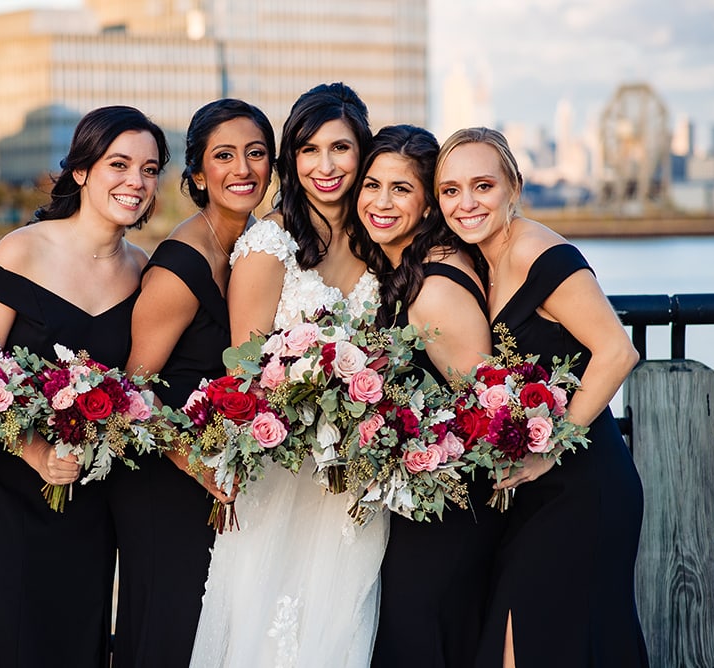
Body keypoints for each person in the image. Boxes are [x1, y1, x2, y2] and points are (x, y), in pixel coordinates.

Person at [0, 106, 170, 668]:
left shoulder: (144, 270)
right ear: (81, 171)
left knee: (76, 639)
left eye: (149, 169)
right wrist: (37, 452)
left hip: (87, 497)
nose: (135, 182)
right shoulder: (20, 250)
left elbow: (138, 383)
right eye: (119, 164)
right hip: (4, 489)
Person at [435, 127, 648, 667]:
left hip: (583, 485)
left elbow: (618, 353)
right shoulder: (482, 259)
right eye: (450, 190)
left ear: (514, 187)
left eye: (482, 185)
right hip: (534, 495)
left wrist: (551, 447)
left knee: (532, 646)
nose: (466, 203)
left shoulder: (542, 253)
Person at [190, 82, 384, 667]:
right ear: (291, 159)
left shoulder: (380, 239)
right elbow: (243, 374)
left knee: (344, 624)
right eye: (309, 150)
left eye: (341, 149)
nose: (325, 167)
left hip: (354, 478)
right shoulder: (268, 244)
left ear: (363, 154)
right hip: (281, 472)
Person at [112, 98, 275, 667]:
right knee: (170, 631)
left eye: (256, 154)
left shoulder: (261, 246)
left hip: (221, 474)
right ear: (199, 174)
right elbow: (130, 391)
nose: (243, 169)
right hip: (167, 477)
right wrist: (195, 463)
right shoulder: (181, 264)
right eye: (224, 156)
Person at [350, 124, 507, 667]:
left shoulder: (435, 286)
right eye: (372, 185)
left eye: (401, 189)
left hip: (452, 515)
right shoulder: (404, 270)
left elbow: (488, 412)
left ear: (427, 204)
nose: (381, 202)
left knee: (422, 641)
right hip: (425, 506)